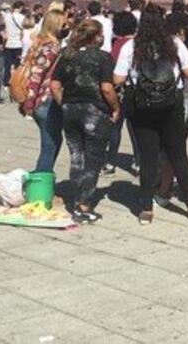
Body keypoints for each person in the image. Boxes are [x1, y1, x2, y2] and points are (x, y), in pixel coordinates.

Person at [114, 5, 188, 224]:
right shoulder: (174, 43)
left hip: (142, 107)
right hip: (172, 104)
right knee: (178, 154)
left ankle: (146, 209)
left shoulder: (132, 46)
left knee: (148, 157)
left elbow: (118, 79)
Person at [49, 19, 120, 224]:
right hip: (95, 112)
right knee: (93, 159)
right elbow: (107, 88)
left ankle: (75, 198)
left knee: (76, 156)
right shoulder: (103, 58)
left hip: (70, 111)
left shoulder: (67, 55)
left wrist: (66, 103)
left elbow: (55, 85)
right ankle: (84, 204)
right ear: (96, 37)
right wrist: (115, 108)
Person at [22, 9, 66, 172]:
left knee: (53, 141)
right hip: (45, 100)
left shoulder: (39, 42)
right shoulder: (51, 46)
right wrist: (30, 101)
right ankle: (42, 182)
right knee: (50, 144)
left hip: (39, 100)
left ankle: (43, 179)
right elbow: (37, 74)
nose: (66, 27)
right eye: (63, 24)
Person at [105, 10, 139, 175]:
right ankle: (138, 161)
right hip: (134, 90)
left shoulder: (117, 45)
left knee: (115, 127)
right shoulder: (139, 43)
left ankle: (110, 162)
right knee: (135, 130)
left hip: (119, 91)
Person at [2, 1, 25, 85]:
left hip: (8, 44)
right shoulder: (22, 17)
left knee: (7, 65)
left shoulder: (7, 17)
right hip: (18, 44)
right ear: (21, 7)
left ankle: (6, 81)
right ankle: (16, 81)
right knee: (17, 65)